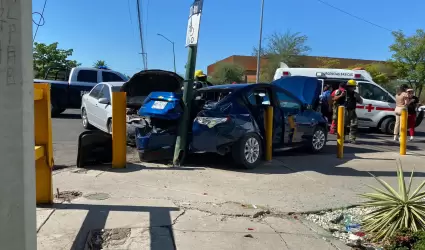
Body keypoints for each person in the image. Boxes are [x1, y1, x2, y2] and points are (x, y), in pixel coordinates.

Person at [344, 79, 363, 143]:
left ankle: (352, 138)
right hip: (344, 110)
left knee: (354, 124)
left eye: (354, 86)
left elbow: (361, 102)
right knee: (343, 125)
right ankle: (342, 137)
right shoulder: (344, 93)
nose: (354, 88)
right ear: (349, 86)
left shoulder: (355, 94)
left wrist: (357, 97)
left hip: (352, 111)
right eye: (353, 86)